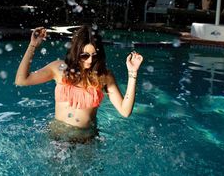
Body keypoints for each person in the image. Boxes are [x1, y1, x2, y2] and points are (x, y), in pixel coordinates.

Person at [15, 25, 143, 142]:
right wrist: (32, 46)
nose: (90, 60)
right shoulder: (60, 69)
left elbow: (125, 111)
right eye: (84, 55)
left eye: (94, 55)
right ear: (75, 53)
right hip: (57, 138)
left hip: (86, 141)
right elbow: (21, 80)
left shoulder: (103, 76)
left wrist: (133, 73)